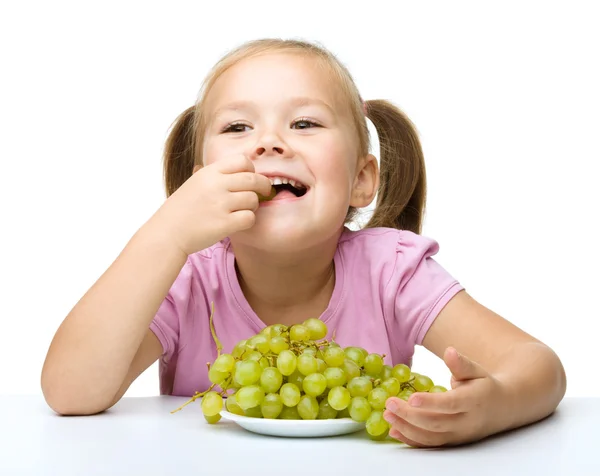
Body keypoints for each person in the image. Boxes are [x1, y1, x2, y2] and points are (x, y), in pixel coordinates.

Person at [41, 38, 566, 447]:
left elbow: (537, 365)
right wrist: (166, 232)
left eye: (305, 122)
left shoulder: (392, 271)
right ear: (199, 183)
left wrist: (493, 406)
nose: (269, 141)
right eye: (239, 126)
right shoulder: (186, 277)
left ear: (362, 180)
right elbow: (69, 392)